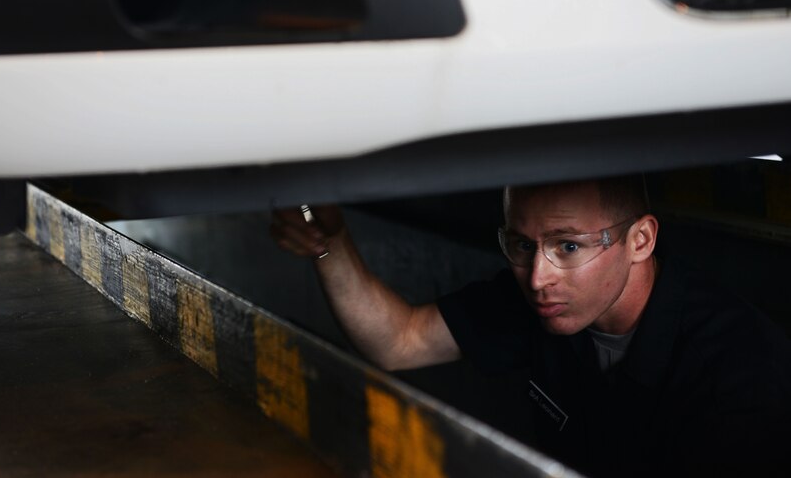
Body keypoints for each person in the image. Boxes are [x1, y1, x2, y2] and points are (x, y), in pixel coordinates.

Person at [271, 175, 791, 477]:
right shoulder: (542, 301)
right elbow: (400, 341)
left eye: (568, 246)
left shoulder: (740, 371)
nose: (538, 277)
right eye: (522, 245)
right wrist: (328, 244)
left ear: (640, 241)